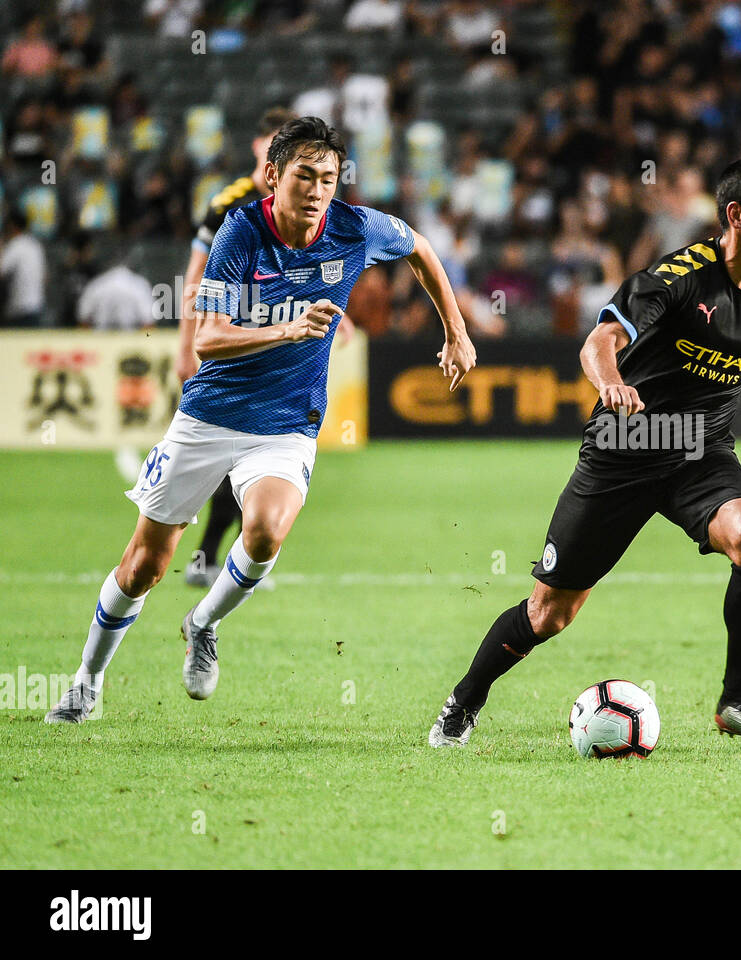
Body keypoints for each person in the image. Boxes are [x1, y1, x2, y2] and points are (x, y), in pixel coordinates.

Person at [44, 116, 476, 723]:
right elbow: (210, 338)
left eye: (329, 177)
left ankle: (203, 624)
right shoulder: (240, 231)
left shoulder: (357, 227)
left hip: (285, 424)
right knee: (144, 564)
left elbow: (422, 250)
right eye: (305, 175)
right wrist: (289, 329)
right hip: (209, 418)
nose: (319, 188)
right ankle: (87, 682)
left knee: (268, 529)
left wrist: (456, 332)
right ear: (273, 176)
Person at [429, 157, 741, 752]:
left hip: (700, 450)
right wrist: (609, 381)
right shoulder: (677, 277)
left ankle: (737, 701)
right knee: (551, 613)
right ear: (737, 216)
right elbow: (599, 340)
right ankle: (464, 701)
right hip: (624, 446)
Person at [177, 107, 355, 588]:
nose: (313, 182)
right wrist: (185, 348)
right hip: (232, 342)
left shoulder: (311, 207)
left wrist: (335, 311)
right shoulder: (231, 208)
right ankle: (206, 557)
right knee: (225, 453)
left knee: (254, 458)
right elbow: (194, 284)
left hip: (275, 344)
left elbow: (314, 269)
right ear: (265, 153)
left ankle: (220, 556)